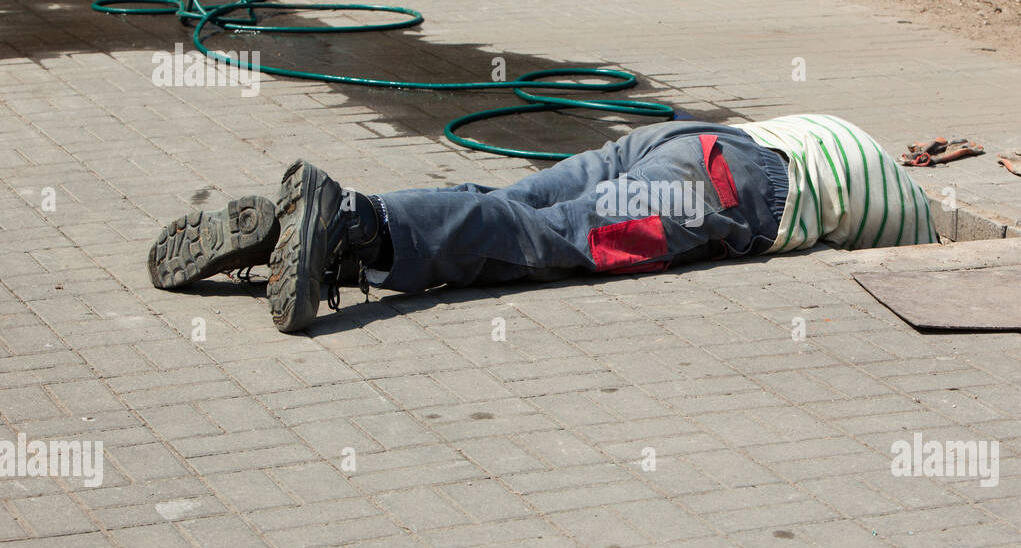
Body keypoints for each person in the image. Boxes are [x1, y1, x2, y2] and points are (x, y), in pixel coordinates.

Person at [147, 114, 937, 332]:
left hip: (694, 138)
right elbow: (920, 260)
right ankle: (357, 227)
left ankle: (324, 242)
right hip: (725, 190)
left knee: (520, 202)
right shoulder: (909, 212)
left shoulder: (856, 142)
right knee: (552, 241)